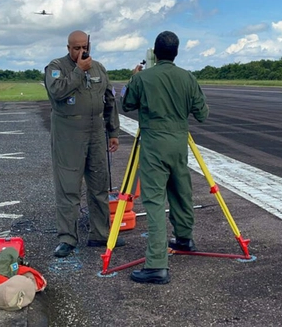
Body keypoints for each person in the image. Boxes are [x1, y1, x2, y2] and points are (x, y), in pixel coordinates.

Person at [121, 31, 209, 284]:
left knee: (155, 202)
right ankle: (184, 238)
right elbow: (202, 114)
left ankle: (157, 264)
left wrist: (133, 79)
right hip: (179, 143)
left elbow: (126, 104)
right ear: (176, 52)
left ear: (155, 53)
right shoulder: (188, 77)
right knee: (182, 192)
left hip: (154, 145)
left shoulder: (143, 78)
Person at [44, 30, 125, 258]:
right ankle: (67, 238)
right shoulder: (56, 67)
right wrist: (79, 71)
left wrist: (113, 131)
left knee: (99, 185)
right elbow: (57, 91)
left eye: (84, 47)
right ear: (68, 47)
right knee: (68, 188)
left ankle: (101, 233)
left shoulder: (98, 68)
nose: (81, 52)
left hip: (96, 132)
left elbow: (109, 100)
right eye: (76, 48)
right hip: (68, 133)